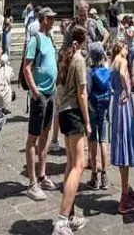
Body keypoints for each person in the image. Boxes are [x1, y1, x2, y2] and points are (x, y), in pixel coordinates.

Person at [52, 24, 91, 235]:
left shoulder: (64, 58)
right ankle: (61, 221)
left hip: (64, 113)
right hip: (75, 114)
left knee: (70, 164)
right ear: (82, 40)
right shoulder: (79, 60)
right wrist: (87, 122)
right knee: (79, 165)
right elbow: (83, 93)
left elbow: (58, 89)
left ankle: (70, 215)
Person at [23, 7, 58, 201]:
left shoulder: (50, 38)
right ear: (44, 19)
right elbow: (26, 68)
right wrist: (35, 92)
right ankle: (32, 182)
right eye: (51, 18)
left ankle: (43, 174)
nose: (53, 21)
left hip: (50, 93)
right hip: (40, 95)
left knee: (45, 133)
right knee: (33, 137)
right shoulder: (35, 39)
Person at [110, 40, 134, 215]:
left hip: (116, 103)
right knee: (125, 145)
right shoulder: (121, 61)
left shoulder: (112, 61)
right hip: (123, 103)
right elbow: (123, 74)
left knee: (121, 141)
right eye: (125, 47)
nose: (128, 49)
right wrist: (128, 90)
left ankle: (127, 188)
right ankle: (124, 198)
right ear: (120, 48)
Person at [86, 42, 112, 191]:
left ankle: (94, 175)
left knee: (93, 140)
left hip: (92, 106)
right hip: (104, 106)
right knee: (103, 140)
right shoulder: (106, 69)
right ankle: (105, 175)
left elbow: (88, 90)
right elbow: (107, 60)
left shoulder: (90, 71)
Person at [122, 15, 134, 83]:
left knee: (130, 66)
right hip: (128, 49)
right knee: (129, 66)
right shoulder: (129, 28)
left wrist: (126, 29)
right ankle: (131, 82)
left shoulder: (131, 28)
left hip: (132, 50)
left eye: (124, 21)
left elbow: (131, 36)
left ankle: (133, 83)